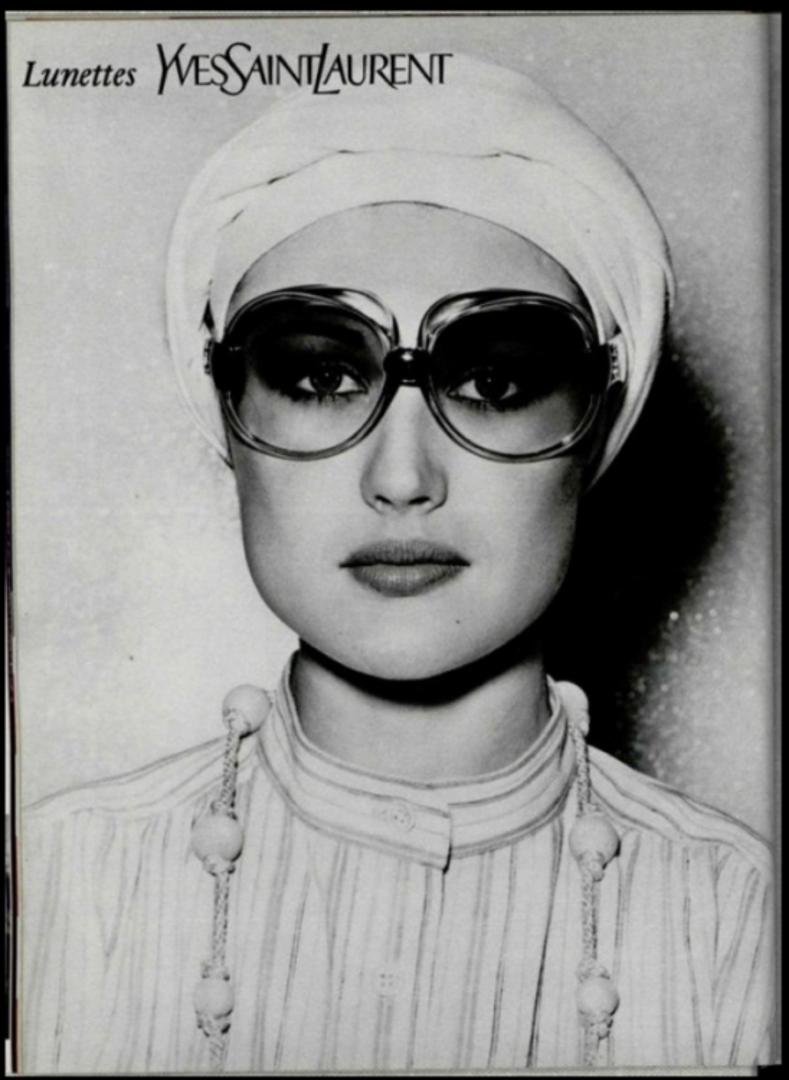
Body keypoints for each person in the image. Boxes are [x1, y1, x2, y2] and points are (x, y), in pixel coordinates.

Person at [21, 55, 773, 1072]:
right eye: (321, 377)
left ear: (596, 422)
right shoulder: (50, 894)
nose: (402, 477)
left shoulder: (743, 929)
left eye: (494, 381)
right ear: (227, 412)